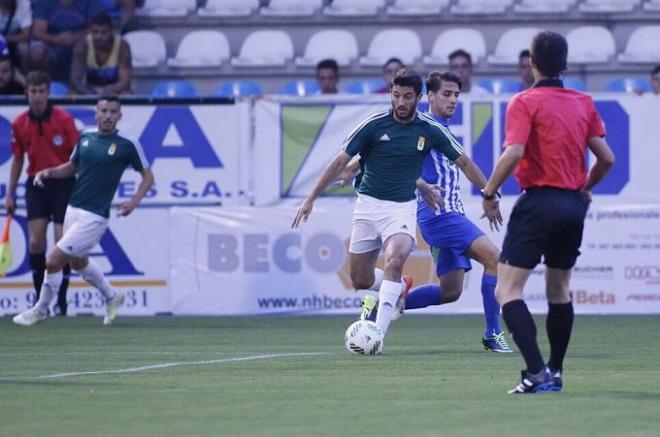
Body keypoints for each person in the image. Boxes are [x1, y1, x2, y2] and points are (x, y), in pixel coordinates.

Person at [480, 31, 615, 394]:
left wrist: (489, 191)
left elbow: (513, 154)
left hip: (538, 201)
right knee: (559, 289)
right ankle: (555, 372)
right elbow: (606, 158)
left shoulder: (524, 102)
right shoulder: (583, 102)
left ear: (532, 63)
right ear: (565, 65)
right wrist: (585, 189)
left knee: (507, 290)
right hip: (573, 205)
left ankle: (536, 371)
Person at [292, 68, 468, 343]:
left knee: (396, 260)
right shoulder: (374, 125)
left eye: (407, 97)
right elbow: (348, 160)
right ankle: (398, 287)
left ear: (418, 97)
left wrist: (486, 192)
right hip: (368, 204)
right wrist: (311, 197)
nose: (400, 102)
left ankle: (377, 334)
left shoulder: (429, 129)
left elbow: (444, 161)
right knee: (360, 279)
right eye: (396, 95)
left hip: (402, 206)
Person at [343, 71, 512, 353]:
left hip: (448, 215)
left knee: (450, 292)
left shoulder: (437, 128)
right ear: (429, 97)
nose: (453, 100)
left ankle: (383, 306)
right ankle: (493, 334)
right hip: (441, 216)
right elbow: (389, 150)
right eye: (446, 94)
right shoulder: (424, 126)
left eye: (457, 94)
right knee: (495, 259)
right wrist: (489, 193)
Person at [13, 95, 154, 326]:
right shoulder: (86, 136)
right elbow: (72, 167)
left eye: (113, 112)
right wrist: (49, 172)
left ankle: (41, 309)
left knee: (52, 261)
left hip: (95, 216)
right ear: (96, 113)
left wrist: (133, 201)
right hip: (73, 209)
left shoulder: (127, 144)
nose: (108, 116)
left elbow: (148, 177)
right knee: (77, 263)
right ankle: (112, 296)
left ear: (119, 116)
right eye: (104, 111)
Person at [6, 71, 78, 315]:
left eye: (40, 91)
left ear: (48, 93)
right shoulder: (19, 123)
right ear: (27, 93)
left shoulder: (64, 120)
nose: (36, 96)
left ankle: (62, 301)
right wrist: (10, 193)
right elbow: (17, 159)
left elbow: (77, 158)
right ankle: (40, 301)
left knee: (61, 243)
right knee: (36, 242)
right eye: (32, 91)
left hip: (63, 184)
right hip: (35, 184)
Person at [30, 0, 104, 81]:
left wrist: (76, 37)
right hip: (51, 43)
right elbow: (37, 32)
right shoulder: (44, 2)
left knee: (82, 47)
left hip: (82, 41)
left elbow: (98, 26)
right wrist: (57, 39)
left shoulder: (90, 2)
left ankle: (79, 84)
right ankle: (43, 84)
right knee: (37, 52)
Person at [70, 12, 132, 95]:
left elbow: (125, 81)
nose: (99, 36)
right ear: (89, 31)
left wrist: (113, 89)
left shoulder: (122, 46)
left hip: (114, 90)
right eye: (95, 32)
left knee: (127, 94)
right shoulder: (83, 44)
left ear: (111, 31)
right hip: (89, 89)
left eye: (104, 32)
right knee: (71, 95)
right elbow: (75, 80)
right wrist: (90, 95)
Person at [0, 0, 31, 73]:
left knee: (24, 48)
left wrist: (4, 39)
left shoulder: (24, 3)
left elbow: (25, 35)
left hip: (13, 41)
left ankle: (25, 76)